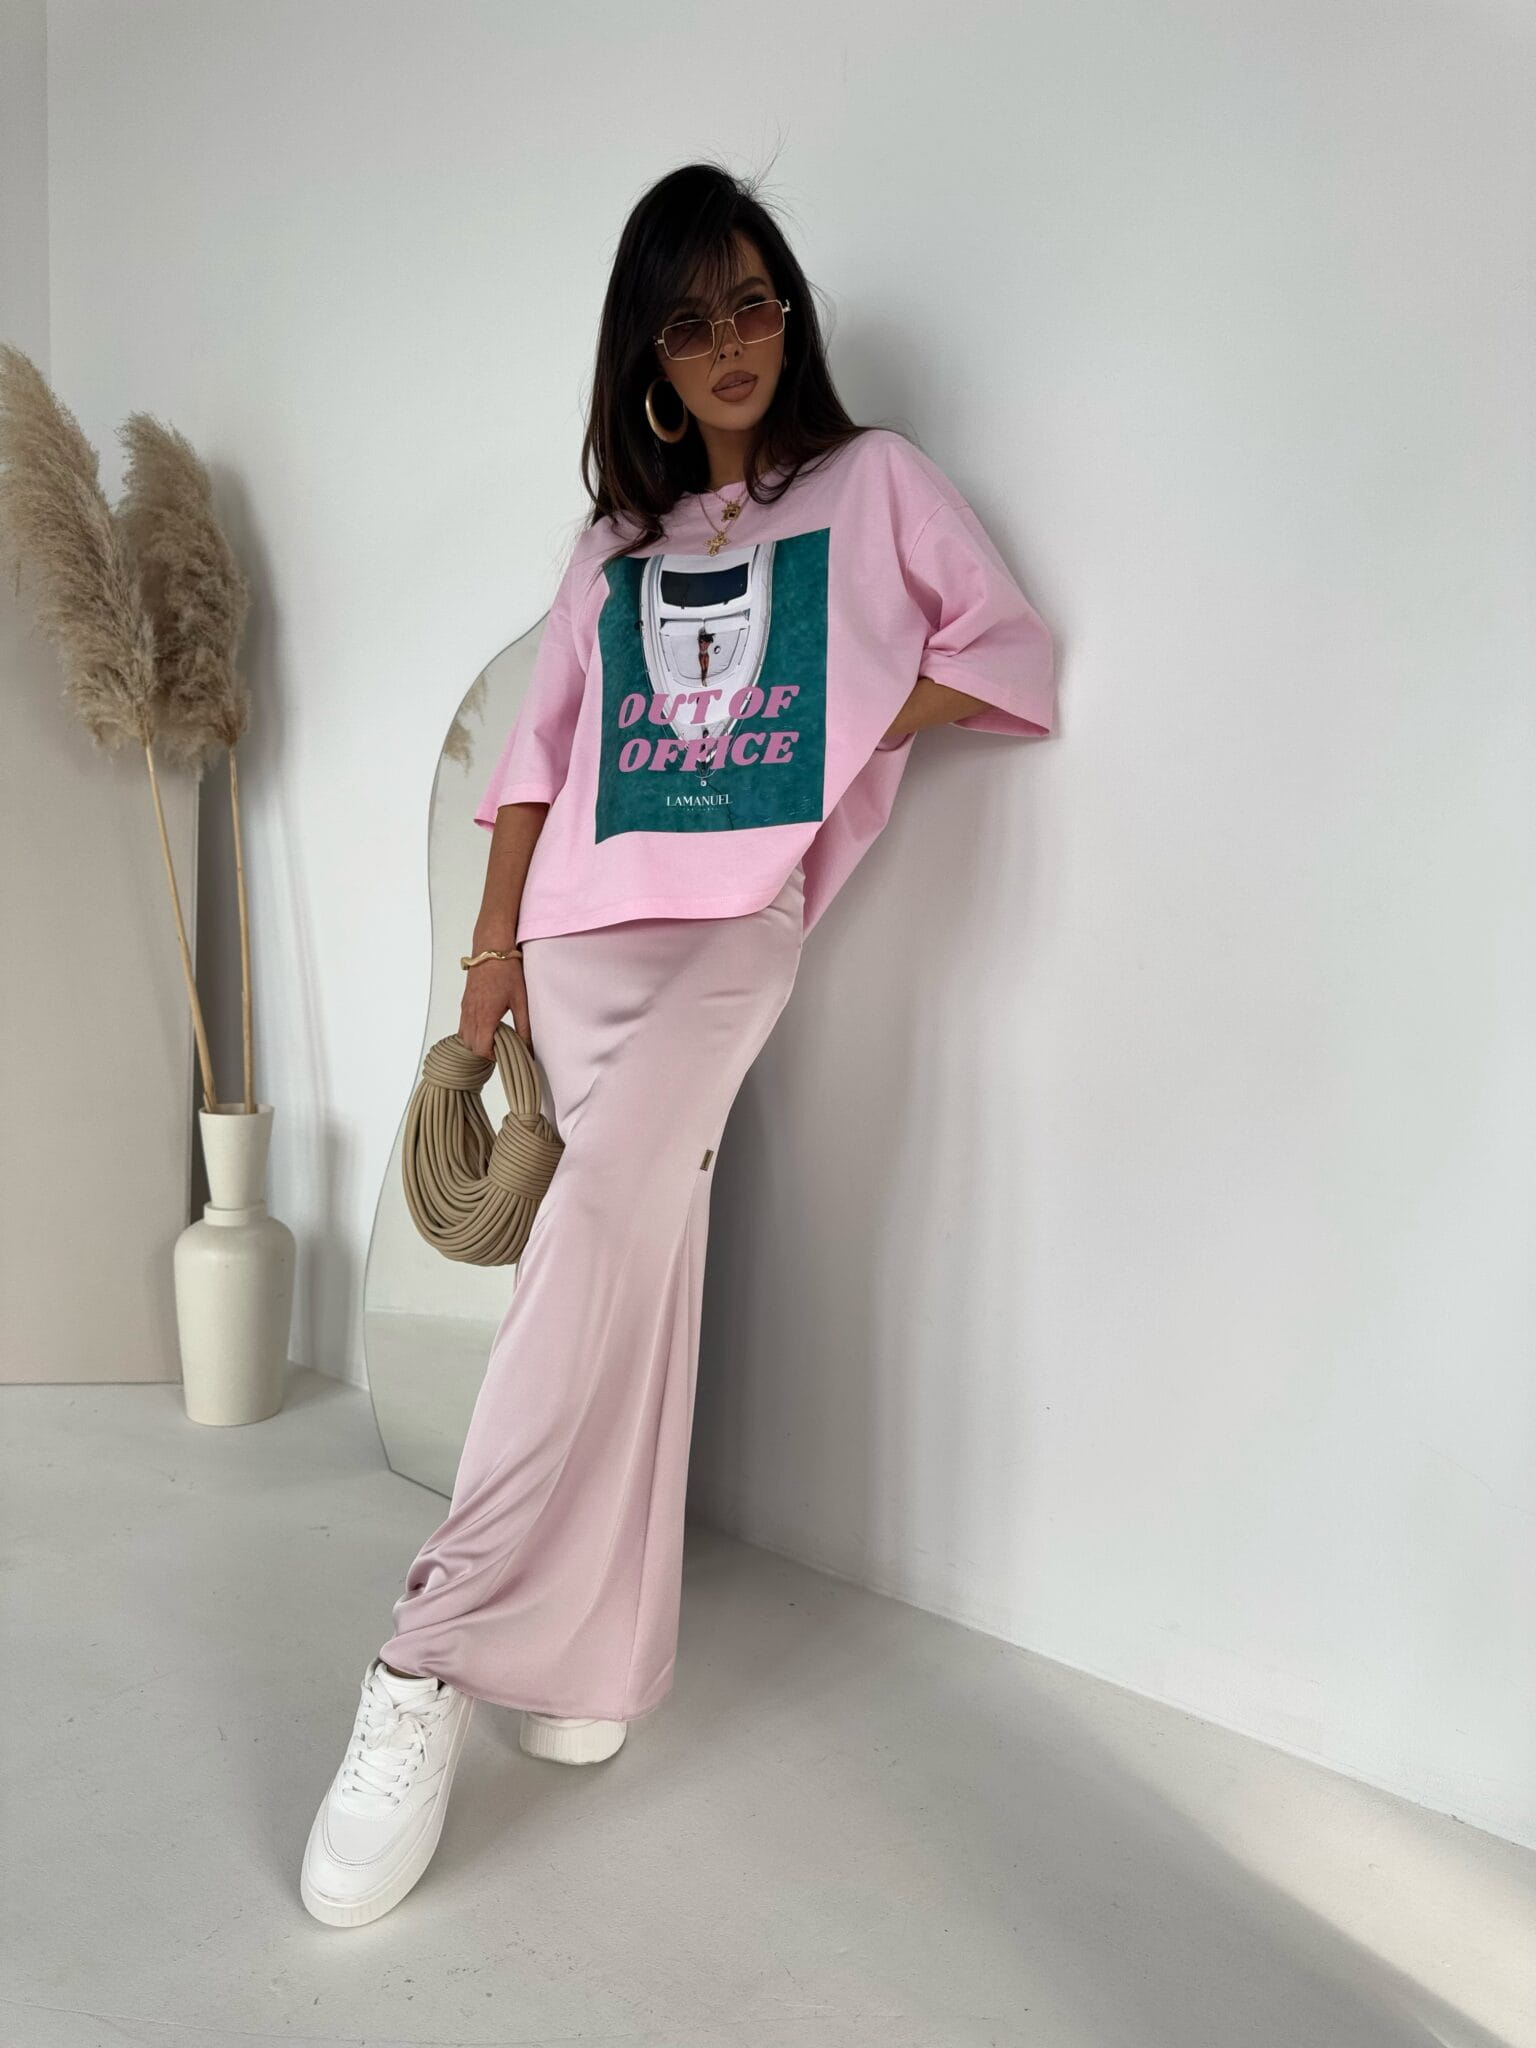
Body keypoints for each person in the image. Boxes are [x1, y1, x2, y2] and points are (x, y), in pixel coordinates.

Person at [300, 158, 1057, 1928]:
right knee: (630, 1277)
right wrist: (490, 963)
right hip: (576, 936)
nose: (728, 342)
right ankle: (586, 1659)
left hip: (729, 933)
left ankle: (422, 1657)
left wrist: (853, 721)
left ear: (790, 316)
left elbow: (1008, 655)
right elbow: (536, 769)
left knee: (588, 1257)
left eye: (752, 303)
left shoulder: (876, 487)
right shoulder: (612, 552)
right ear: (648, 353)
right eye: (689, 318)